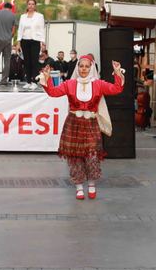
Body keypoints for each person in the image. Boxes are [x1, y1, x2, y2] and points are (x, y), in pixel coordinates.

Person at [40, 55, 125, 200]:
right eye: (81, 66)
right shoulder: (70, 84)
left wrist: (117, 73)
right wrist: (47, 78)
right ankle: (79, 187)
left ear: (91, 68)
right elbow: (53, 92)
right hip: (73, 124)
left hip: (91, 123)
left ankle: (91, 185)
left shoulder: (98, 84)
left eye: (86, 66)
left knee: (92, 156)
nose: (84, 69)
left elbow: (116, 89)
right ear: (77, 68)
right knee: (75, 157)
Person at [17, 0, 45, 90]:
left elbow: (42, 29)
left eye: (33, 4)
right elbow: (20, 30)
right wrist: (18, 42)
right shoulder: (23, 16)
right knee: (27, 62)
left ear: (35, 6)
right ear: (27, 5)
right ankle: (28, 81)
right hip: (25, 40)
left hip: (35, 41)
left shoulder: (39, 16)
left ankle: (34, 81)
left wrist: (43, 42)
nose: (31, 6)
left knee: (34, 61)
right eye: (29, 4)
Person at [0, 1, 17, 84]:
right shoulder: (13, 15)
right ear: (11, 8)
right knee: (7, 61)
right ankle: (4, 80)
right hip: (7, 41)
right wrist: (9, 37)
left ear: (3, 6)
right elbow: (13, 31)